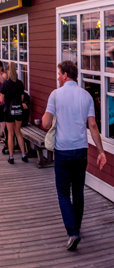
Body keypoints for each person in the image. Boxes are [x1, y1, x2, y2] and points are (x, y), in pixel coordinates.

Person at [39, 60, 107, 251]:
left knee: (62, 192)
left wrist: (48, 117)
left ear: (66, 75)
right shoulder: (86, 96)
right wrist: (101, 151)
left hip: (63, 151)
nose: (58, 77)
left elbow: (45, 124)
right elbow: (92, 126)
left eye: (59, 74)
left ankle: (72, 231)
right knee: (78, 191)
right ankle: (77, 226)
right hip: (81, 150)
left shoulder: (55, 95)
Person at [0, 62, 28, 164]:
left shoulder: (5, 84)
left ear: (7, 70)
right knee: (18, 132)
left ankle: (11, 157)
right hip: (18, 110)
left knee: (10, 134)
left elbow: (1, 99)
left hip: (9, 110)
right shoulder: (20, 83)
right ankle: (24, 154)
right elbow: (22, 98)